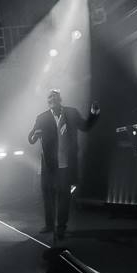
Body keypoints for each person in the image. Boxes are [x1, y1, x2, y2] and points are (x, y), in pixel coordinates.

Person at [28, 89, 99, 240]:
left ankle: (61, 227)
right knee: (48, 196)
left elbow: (85, 127)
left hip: (66, 164)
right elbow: (31, 137)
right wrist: (34, 136)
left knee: (64, 197)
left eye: (54, 97)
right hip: (49, 164)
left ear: (60, 99)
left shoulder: (72, 113)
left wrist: (94, 114)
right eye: (49, 98)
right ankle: (49, 225)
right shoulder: (42, 118)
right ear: (47, 102)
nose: (52, 99)